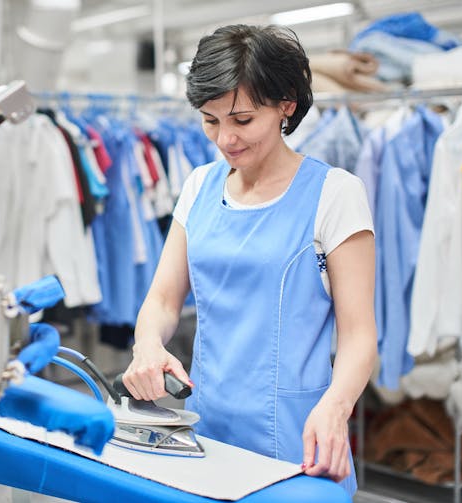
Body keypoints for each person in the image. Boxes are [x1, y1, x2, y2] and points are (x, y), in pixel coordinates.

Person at [122, 24, 376, 496]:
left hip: (301, 434)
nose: (225, 139)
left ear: (286, 105)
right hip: (206, 428)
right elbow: (161, 298)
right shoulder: (199, 185)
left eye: (242, 120)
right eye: (210, 119)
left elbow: (360, 334)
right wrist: (147, 346)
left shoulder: (335, 194)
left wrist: (337, 407)